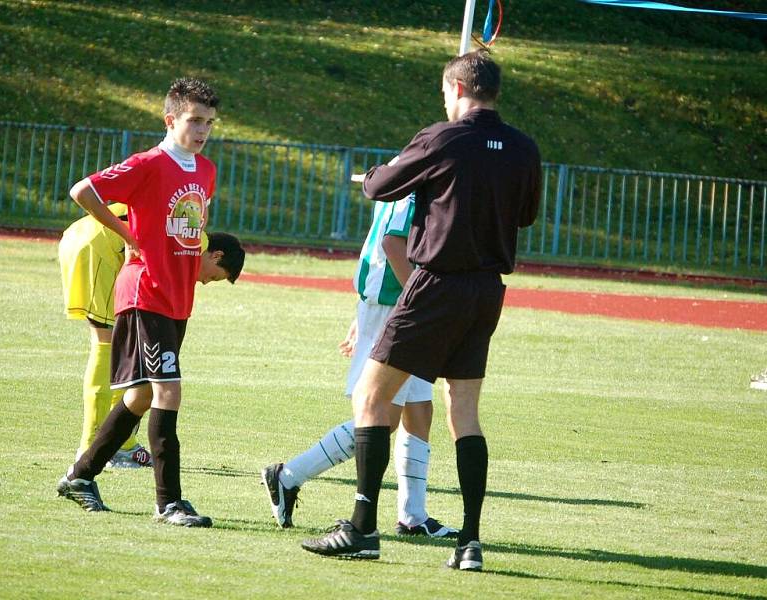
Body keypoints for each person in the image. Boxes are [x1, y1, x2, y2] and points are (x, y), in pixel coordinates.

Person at [301, 51, 542, 570]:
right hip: (486, 291)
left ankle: (362, 529)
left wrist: (381, 171)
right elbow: (526, 215)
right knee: (465, 412)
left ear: (455, 88)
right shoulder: (524, 147)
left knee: (370, 397)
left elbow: (378, 187)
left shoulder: (442, 137)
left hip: (435, 284)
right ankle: (470, 542)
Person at [56, 77, 234, 528]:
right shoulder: (149, 164)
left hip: (177, 297)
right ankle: (168, 502)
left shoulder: (206, 170)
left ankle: (80, 476)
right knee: (167, 390)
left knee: (138, 396)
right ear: (171, 119)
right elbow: (83, 190)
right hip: (146, 290)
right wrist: (128, 237)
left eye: (209, 123)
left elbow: (189, 227)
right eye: (194, 120)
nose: (202, 130)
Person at [261, 193, 457, 539]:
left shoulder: (418, 174)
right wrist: (421, 302)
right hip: (397, 308)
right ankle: (289, 476)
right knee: (385, 415)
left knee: (419, 409)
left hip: (395, 305)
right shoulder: (418, 184)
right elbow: (393, 243)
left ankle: (413, 516)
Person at [59, 205, 245, 469]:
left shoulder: (191, 231)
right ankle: (90, 447)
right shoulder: (194, 242)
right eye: (213, 277)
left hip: (92, 243)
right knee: (105, 346)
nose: (204, 282)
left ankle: (121, 443)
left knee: (123, 351)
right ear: (215, 255)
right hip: (97, 249)